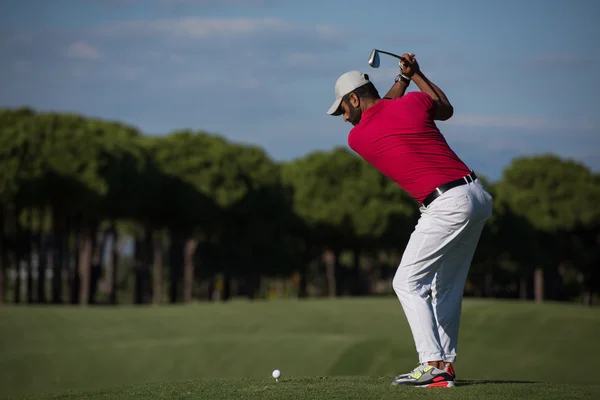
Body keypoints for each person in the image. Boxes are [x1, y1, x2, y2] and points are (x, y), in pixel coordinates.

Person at [327, 53, 493, 388]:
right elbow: (443, 106)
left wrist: (403, 80)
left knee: (406, 282)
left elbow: (383, 108)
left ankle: (430, 363)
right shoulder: (415, 103)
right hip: (476, 195)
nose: (343, 118)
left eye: (343, 109)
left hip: (445, 204)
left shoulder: (358, 137)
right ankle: (444, 367)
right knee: (445, 287)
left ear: (355, 99)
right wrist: (414, 76)